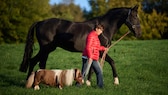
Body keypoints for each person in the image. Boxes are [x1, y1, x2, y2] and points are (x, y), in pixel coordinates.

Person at [81, 24, 108, 88]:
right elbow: (88, 47)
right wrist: (90, 57)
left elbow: (96, 47)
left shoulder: (95, 36)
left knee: (99, 71)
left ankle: (100, 86)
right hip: (88, 57)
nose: (101, 32)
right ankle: (78, 85)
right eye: (100, 30)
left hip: (93, 57)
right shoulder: (91, 35)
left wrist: (104, 48)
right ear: (96, 29)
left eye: (102, 30)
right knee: (84, 73)